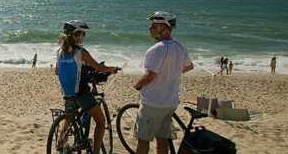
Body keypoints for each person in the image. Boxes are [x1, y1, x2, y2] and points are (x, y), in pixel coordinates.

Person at [133, 11, 194, 154]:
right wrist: (171, 72)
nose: (150, 29)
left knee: (143, 140)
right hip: (170, 102)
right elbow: (189, 66)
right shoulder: (180, 47)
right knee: (162, 141)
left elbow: (150, 76)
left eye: (154, 26)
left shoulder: (157, 49)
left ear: (163, 27)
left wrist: (138, 85)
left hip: (153, 103)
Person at [55, 20, 119, 154]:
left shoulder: (60, 51)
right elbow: (99, 68)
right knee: (101, 122)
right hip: (81, 94)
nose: (84, 36)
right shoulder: (81, 52)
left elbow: (57, 70)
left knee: (69, 117)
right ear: (76, 35)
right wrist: (112, 69)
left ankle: (60, 143)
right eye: (83, 34)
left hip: (68, 93)